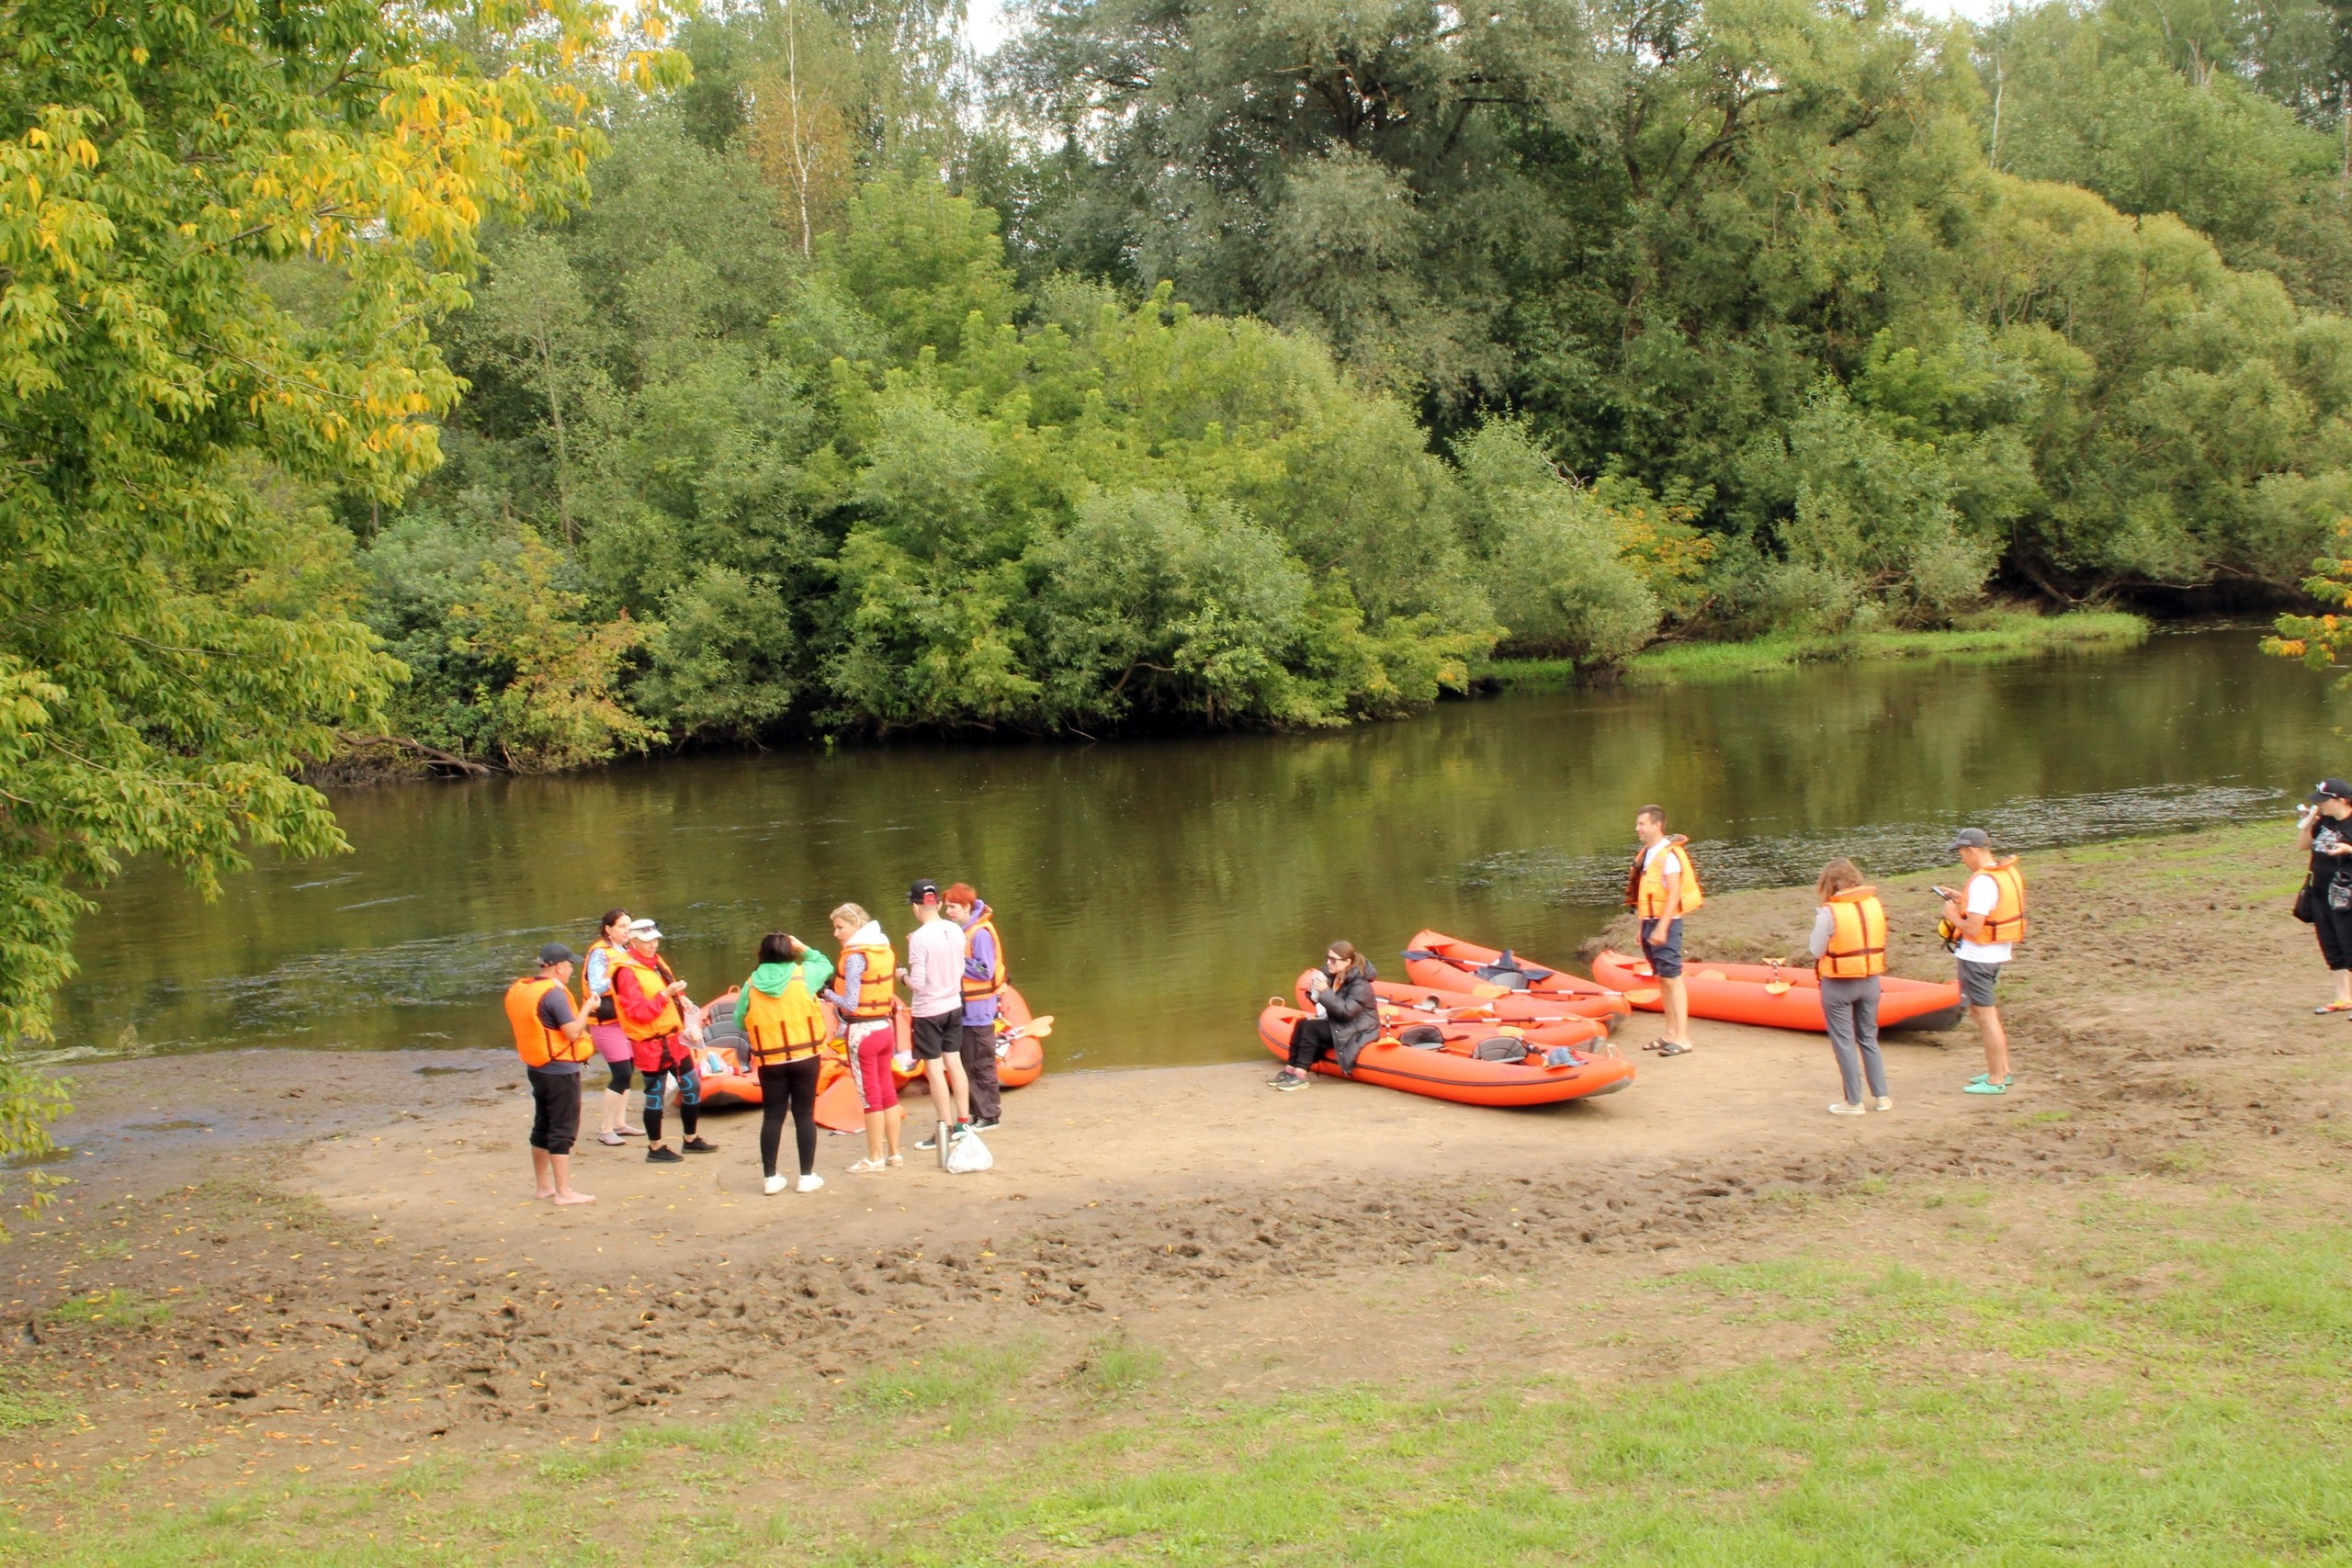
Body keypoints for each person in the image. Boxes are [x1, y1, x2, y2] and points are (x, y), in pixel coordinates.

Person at [727, 933, 833, 1196]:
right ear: (790, 952)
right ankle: (806, 1176)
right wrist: (804, 947)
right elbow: (826, 964)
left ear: (761, 954)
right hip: (805, 1056)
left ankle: (771, 1178)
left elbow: (739, 1021)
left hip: (771, 1060)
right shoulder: (804, 975)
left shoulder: (751, 984)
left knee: (773, 1116)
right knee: (804, 1114)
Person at [611, 918, 718, 1162]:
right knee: (655, 1096)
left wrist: (681, 998)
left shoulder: (656, 962)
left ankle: (690, 1139)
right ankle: (655, 1148)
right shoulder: (625, 972)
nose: (653, 945)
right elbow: (637, 1013)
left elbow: (669, 988)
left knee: (692, 1087)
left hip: (674, 1039)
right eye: (647, 942)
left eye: (655, 940)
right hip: (650, 1045)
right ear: (633, 942)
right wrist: (665, 995)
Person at [503, 942, 595, 1205]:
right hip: (560, 1070)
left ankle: (544, 1187)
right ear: (559, 967)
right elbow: (573, 1032)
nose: (571, 971)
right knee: (562, 1130)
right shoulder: (554, 994)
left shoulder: (525, 989)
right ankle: (564, 1192)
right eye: (569, 966)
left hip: (537, 1068)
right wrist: (588, 1007)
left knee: (543, 1125)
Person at [1939, 828, 2027, 1096]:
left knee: (1987, 1018)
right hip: (1996, 955)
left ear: (1972, 850)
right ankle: (2002, 1070)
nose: (1962, 859)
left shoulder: (1982, 882)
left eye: (1962, 854)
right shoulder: (2004, 874)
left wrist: (1952, 915)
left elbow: (1973, 928)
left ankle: (1996, 1079)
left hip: (1978, 958)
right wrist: (1961, 898)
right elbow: (1989, 908)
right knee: (1981, 1013)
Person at [822, 902, 903, 1172]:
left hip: (862, 1033)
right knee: (887, 1091)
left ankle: (874, 1157)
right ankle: (894, 1154)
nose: (836, 933)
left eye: (840, 927)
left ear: (856, 925)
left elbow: (850, 1002)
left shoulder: (856, 957)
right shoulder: (883, 949)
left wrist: (827, 994)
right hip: (884, 1029)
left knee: (870, 1096)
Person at [1806, 859, 1891, 1117]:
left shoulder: (1829, 912)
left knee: (1844, 1043)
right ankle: (1882, 1097)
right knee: (1868, 1038)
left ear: (1827, 884)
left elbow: (1816, 950)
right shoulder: (1874, 904)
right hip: (1870, 981)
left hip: (1838, 985)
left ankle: (1853, 1102)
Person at [900, 878, 973, 1162]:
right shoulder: (955, 929)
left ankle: (944, 1127)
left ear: (915, 906)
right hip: (953, 1004)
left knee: (934, 1068)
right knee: (954, 1062)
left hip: (929, 1010)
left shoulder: (919, 938)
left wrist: (901, 977)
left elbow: (918, 983)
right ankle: (963, 1123)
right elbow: (959, 966)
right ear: (939, 904)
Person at [1630, 806, 1702, 1055]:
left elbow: (1673, 894)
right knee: (1662, 978)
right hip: (1650, 922)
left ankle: (1683, 1039)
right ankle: (1670, 1033)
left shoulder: (1669, 856)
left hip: (1667, 923)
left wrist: (1662, 927)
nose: (1637, 828)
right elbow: (1648, 895)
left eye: (1642, 824)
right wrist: (1643, 926)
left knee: (1672, 977)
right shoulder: (1648, 854)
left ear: (1656, 825)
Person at [1269, 941, 1378, 1090]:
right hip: (1340, 1022)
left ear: (1347, 962)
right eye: (1328, 958)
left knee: (1311, 1028)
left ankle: (1300, 1074)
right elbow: (1330, 1006)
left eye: (1333, 960)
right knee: (1301, 1023)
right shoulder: (1333, 976)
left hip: (1359, 1027)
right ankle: (1290, 1069)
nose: (1328, 962)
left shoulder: (1360, 985)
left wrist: (1325, 992)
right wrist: (1313, 993)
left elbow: (1346, 1013)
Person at [944, 883, 1005, 1133]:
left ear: (967, 906)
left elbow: (984, 971)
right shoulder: (964, 931)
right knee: (968, 1064)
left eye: (952, 907)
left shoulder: (980, 934)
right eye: (947, 906)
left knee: (980, 1065)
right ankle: (976, 1113)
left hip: (979, 1012)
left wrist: (955, 958)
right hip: (965, 1011)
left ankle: (989, 1116)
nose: (948, 911)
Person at [581, 908, 644, 1146]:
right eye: (622, 926)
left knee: (628, 1070)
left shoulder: (624, 951)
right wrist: (619, 976)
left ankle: (620, 1123)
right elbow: (596, 986)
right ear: (608, 929)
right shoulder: (600, 953)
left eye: (629, 926)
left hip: (623, 1020)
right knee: (621, 1074)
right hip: (605, 1023)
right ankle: (605, 1129)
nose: (627, 931)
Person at [2299, 780, 2352, 1013]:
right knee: (2331, 946)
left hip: (2347, 895)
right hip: (2320, 893)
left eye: (2323, 800)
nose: (2319, 804)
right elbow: (2302, 845)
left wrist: (2348, 849)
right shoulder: (2325, 821)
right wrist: (2310, 820)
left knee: (2350, 943)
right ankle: (2343, 999)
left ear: (2341, 800)